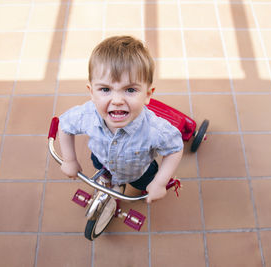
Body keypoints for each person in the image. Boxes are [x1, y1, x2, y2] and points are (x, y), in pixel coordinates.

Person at [58, 35, 183, 203]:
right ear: (91, 92)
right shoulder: (87, 115)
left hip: (139, 172)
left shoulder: (154, 129)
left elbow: (174, 148)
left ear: (147, 95)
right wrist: (69, 159)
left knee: (144, 185)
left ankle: (141, 185)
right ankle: (108, 180)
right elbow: (64, 125)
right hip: (101, 159)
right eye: (105, 89)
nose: (117, 101)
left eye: (130, 90)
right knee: (101, 167)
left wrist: (159, 183)